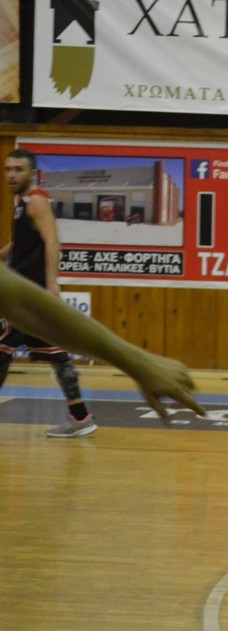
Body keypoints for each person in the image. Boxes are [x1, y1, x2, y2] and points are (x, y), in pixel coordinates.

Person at [0, 263, 204, 417]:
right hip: (25, 291)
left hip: (29, 287)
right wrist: (139, 364)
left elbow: (24, 305)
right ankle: (79, 414)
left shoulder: (38, 217)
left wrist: (140, 364)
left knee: (52, 356)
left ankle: (79, 414)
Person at [1, 148, 97, 437]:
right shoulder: (22, 202)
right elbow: (21, 244)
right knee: (57, 355)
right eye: (7, 169)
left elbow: (53, 242)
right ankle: (80, 417)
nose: (11, 175)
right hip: (27, 294)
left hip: (31, 295)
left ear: (32, 173)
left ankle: (81, 418)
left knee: (2, 348)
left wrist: (52, 283)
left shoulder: (37, 201)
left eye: (18, 169)